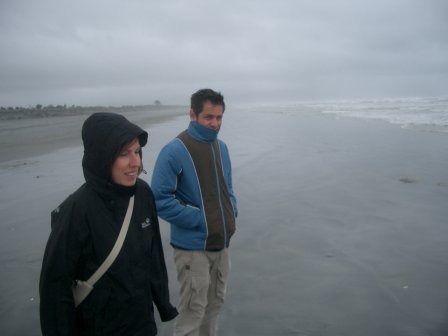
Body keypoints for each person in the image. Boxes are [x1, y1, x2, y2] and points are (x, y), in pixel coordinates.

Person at [39, 112, 177, 335]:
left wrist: (163, 303)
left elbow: (154, 256)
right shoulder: (76, 211)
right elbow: (55, 291)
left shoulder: (142, 194)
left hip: (143, 324)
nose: (136, 163)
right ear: (101, 157)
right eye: (124, 154)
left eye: (137, 152)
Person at [151, 89, 238, 336]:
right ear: (192, 114)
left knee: (215, 305)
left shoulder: (222, 148)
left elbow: (228, 188)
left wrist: (232, 210)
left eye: (220, 117)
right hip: (191, 249)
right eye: (209, 117)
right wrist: (202, 220)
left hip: (221, 245)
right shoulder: (175, 150)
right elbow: (159, 199)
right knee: (193, 312)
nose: (215, 124)